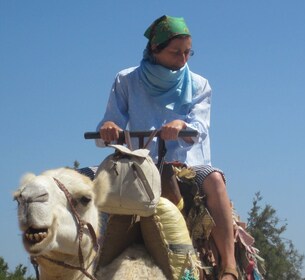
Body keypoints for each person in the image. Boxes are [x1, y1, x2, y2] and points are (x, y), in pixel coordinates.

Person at [97, 15, 238, 280]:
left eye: (188, 53)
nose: (183, 59)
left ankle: (229, 266)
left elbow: (200, 126)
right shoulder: (126, 79)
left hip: (185, 166)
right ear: (154, 49)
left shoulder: (199, 84)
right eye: (176, 53)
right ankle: (81, 263)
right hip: (137, 166)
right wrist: (108, 128)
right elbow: (111, 122)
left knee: (215, 179)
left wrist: (180, 125)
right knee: (82, 180)